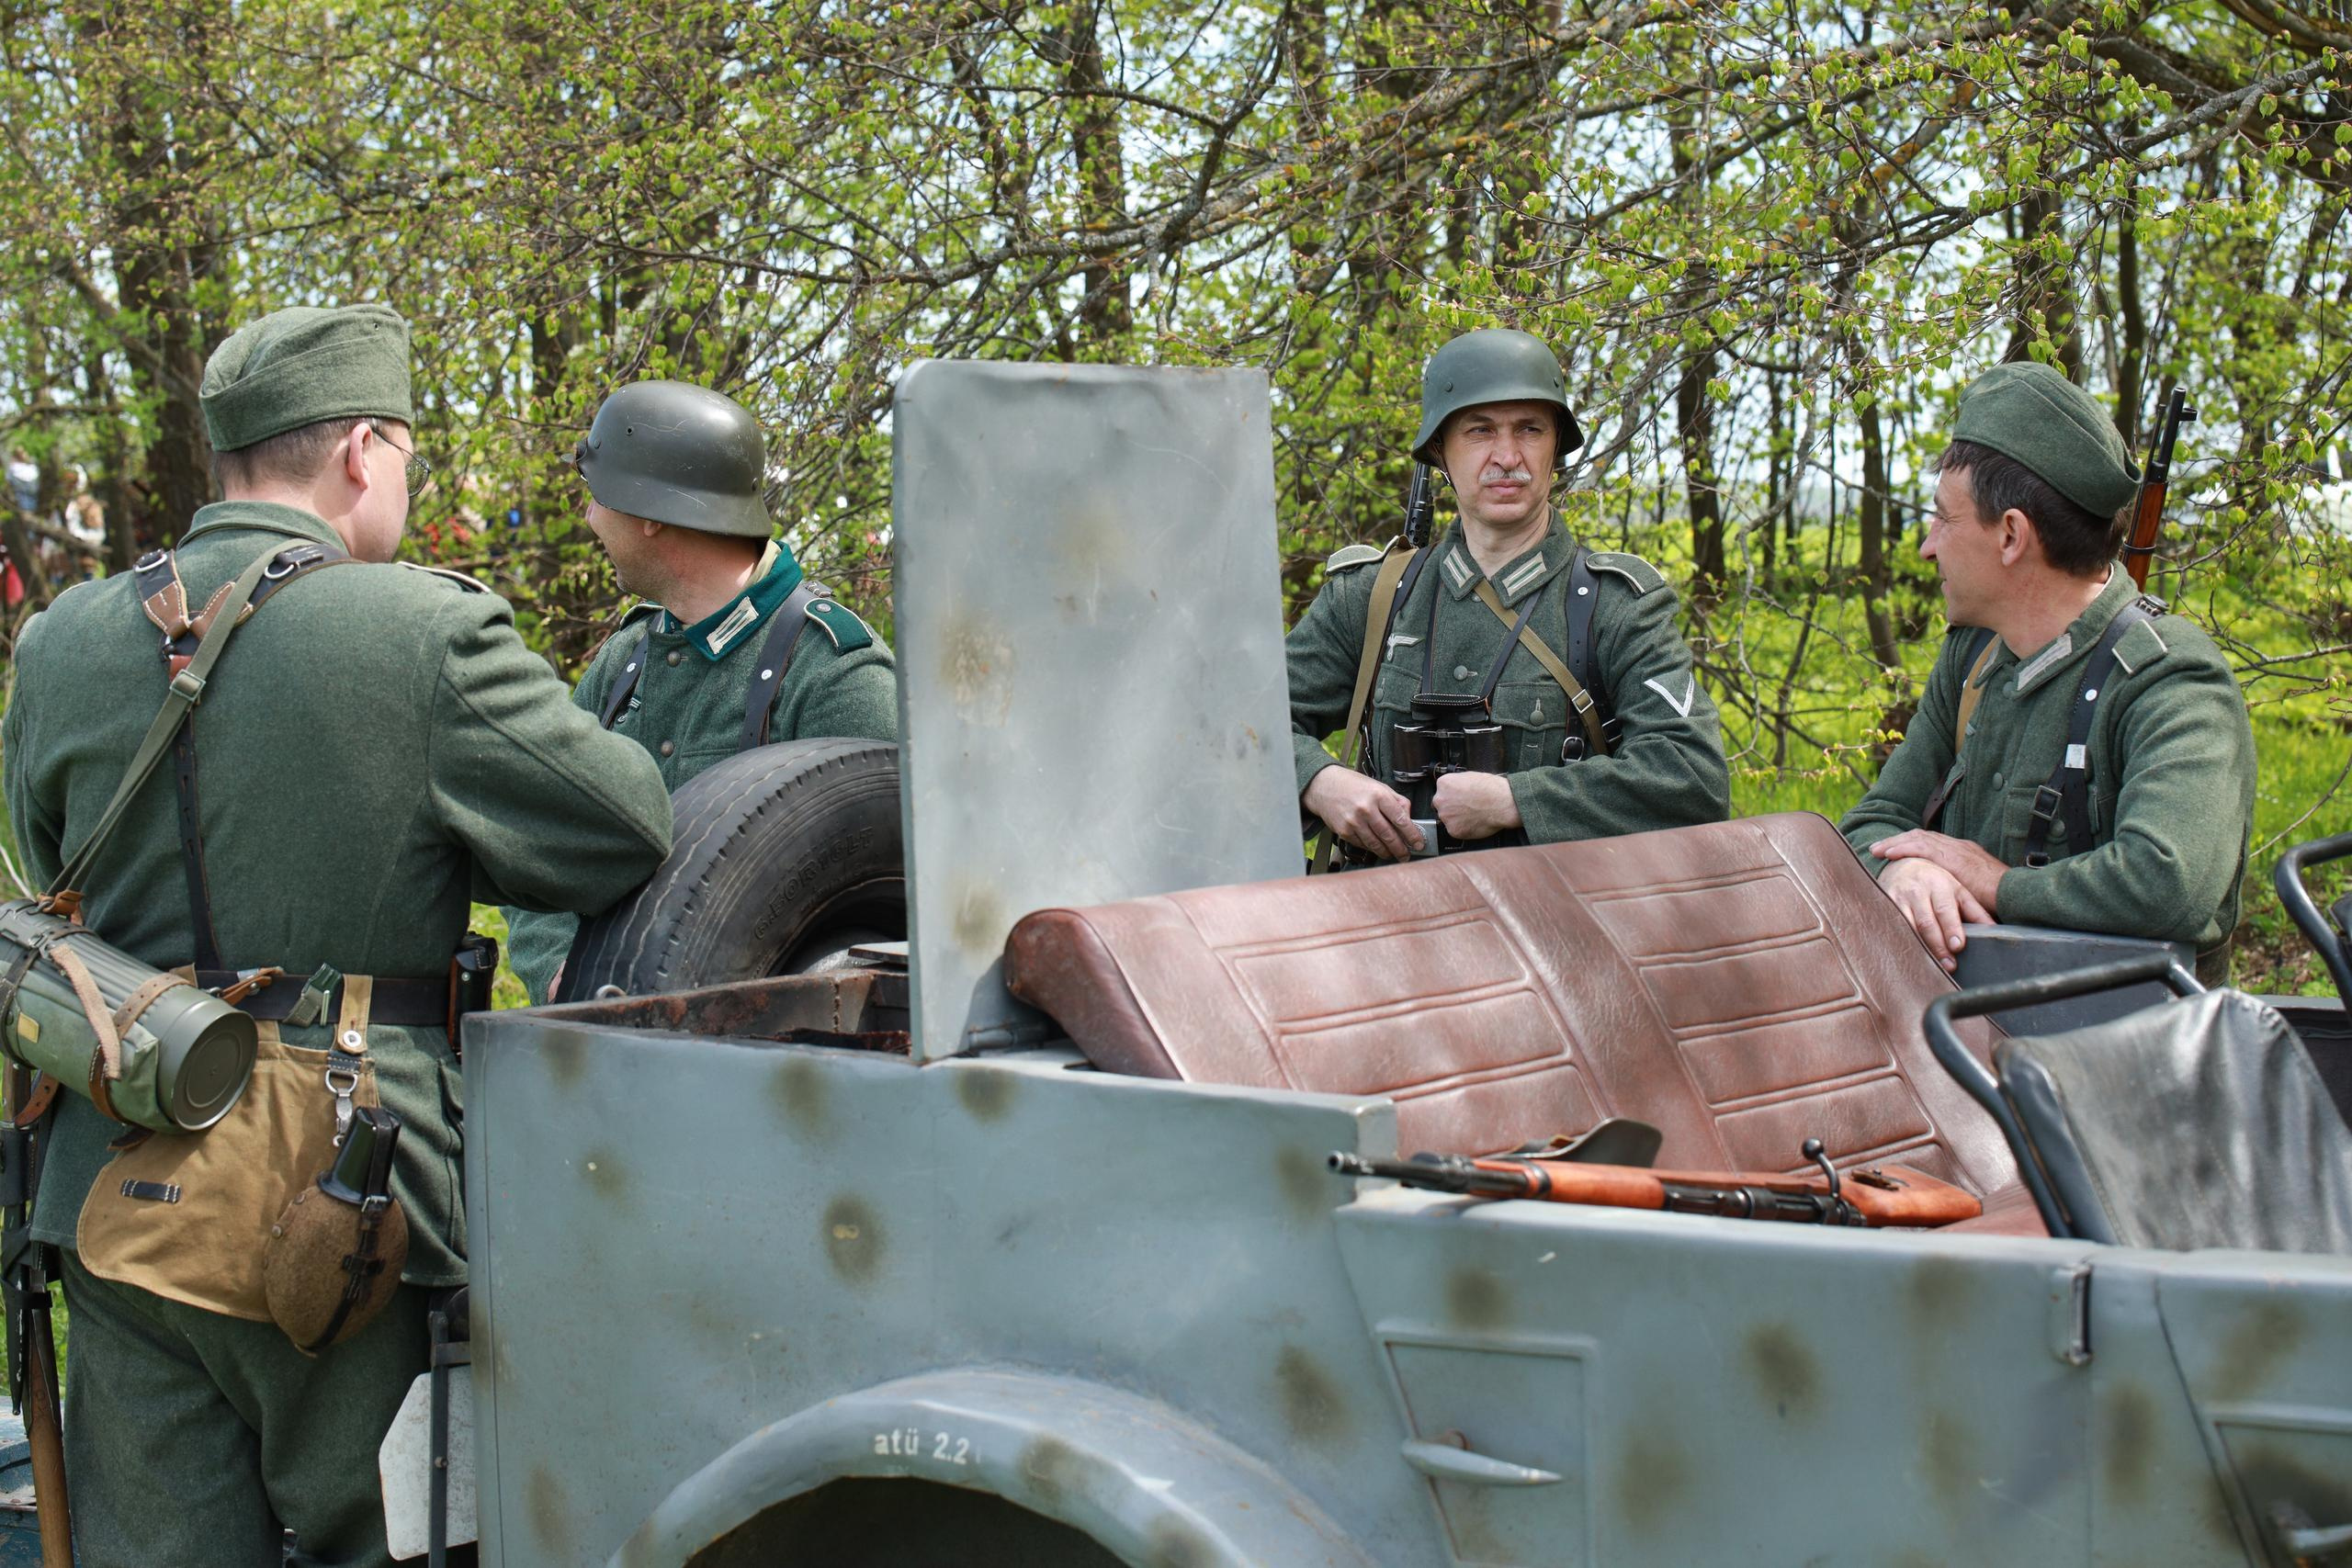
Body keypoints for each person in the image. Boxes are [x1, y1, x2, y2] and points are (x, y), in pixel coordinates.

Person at [1, 303, 674, 1567]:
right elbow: (618, 827)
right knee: (407, 1541)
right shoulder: (423, 636)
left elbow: (53, 862)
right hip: (345, 1192)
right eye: (406, 454)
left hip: (112, 1181)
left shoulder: (65, 643)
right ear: (364, 449)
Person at [1840, 361, 2256, 981]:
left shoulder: (2168, 679)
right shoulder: (1972, 657)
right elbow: (1870, 825)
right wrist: (1904, 869)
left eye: (1944, 519)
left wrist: (1997, 883)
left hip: (2122, 1057)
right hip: (1964, 1038)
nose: (1928, 545)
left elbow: (2171, 882)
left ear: (2011, 536)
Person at [503, 379, 899, 1003]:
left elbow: (900, 911)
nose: (589, 517)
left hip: (771, 1067)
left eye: (600, 498)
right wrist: (561, 972)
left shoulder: (834, 673)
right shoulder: (624, 659)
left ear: (653, 515)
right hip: (598, 1051)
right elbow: (539, 841)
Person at [1286, 327, 1729, 864]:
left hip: (1552, 920)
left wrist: (1517, 801)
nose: (1507, 456)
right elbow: (1242, 725)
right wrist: (1320, 781)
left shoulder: (1614, 606)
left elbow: (1692, 776)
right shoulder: (1373, 595)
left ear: (1554, 451)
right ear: (1440, 452)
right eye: (1479, 431)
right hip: (1386, 916)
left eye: (1529, 430)